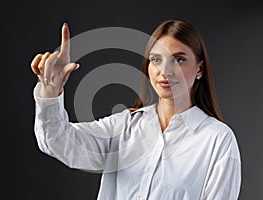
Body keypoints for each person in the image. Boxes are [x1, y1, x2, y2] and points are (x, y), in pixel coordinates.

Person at [31, 20, 241, 199]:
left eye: (179, 59)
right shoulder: (124, 127)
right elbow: (59, 142)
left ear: (199, 69)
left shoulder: (217, 140)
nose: (164, 71)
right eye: (156, 59)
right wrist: (51, 90)